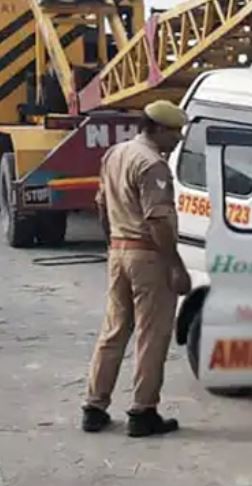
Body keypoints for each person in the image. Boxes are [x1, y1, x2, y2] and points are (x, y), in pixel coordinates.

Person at [81, 100, 191, 437]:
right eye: (174, 132)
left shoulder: (115, 154)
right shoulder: (152, 165)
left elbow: (101, 205)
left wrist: (112, 243)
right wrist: (175, 266)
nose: (178, 138)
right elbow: (158, 221)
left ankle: (94, 407)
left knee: (114, 331)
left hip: (119, 252)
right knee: (151, 335)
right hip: (148, 257)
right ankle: (143, 412)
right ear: (156, 128)